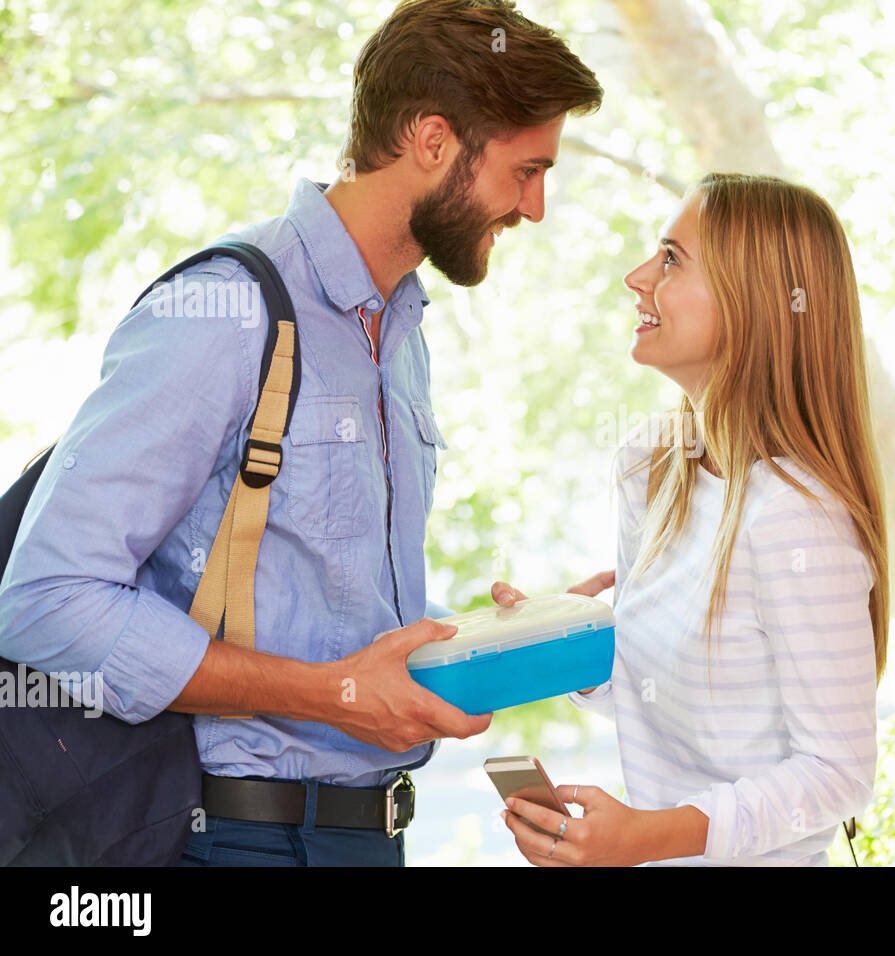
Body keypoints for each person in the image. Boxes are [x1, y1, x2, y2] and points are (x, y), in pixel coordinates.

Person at [0, 0, 607, 867]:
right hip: (232, 840)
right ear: (432, 141)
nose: (537, 207)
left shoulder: (398, 335)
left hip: (369, 836)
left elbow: (321, 608)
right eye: (527, 170)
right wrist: (334, 695)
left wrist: (493, 642)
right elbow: (45, 600)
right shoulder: (227, 312)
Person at [496, 172, 888, 866]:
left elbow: (838, 773)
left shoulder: (796, 520)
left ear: (755, 303)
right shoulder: (650, 468)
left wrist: (648, 836)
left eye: (672, 258)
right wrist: (569, 645)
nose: (637, 276)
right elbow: (667, 703)